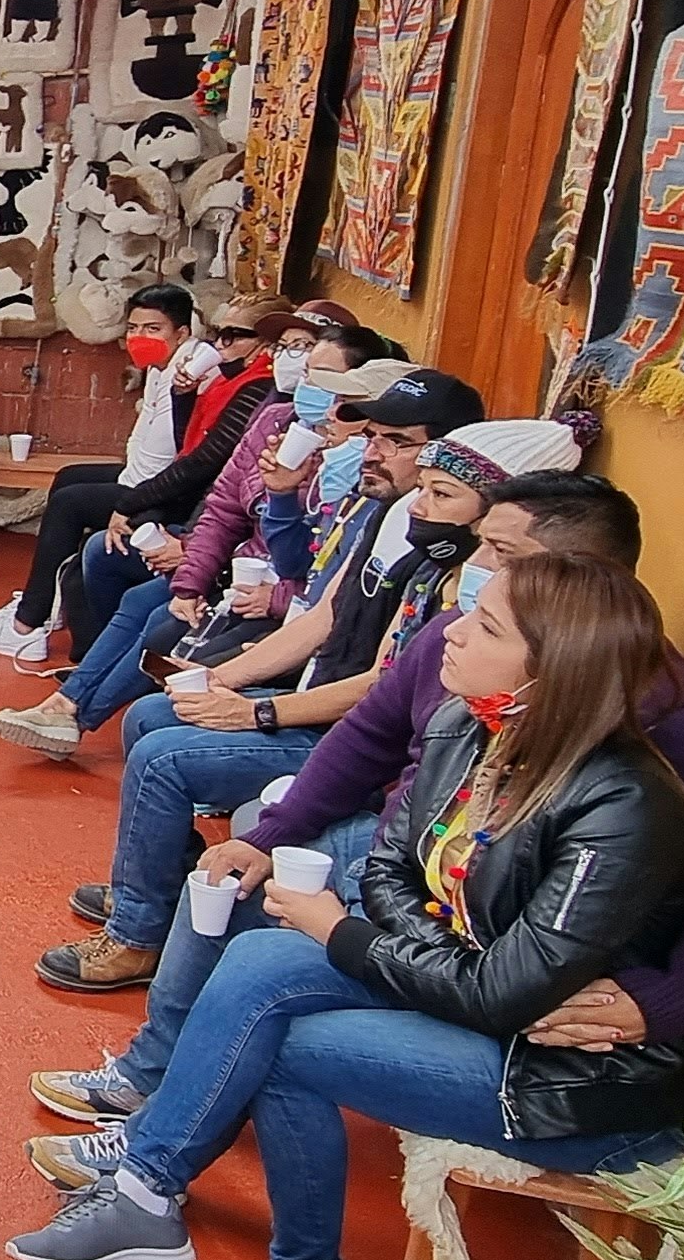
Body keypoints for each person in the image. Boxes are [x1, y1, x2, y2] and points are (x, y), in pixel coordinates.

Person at [9, 555, 684, 1260]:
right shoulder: (465, 725)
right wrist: (414, 940)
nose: (454, 628)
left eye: (487, 625)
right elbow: (388, 867)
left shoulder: (624, 806)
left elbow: (504, 997)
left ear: (554, 675)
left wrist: (341, 933)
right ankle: (152, 1193)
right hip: (467, 992)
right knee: (264, 961)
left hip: (566, 1075)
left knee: (288, 1044)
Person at [29, 474, 684, 1193]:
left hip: (499, 928)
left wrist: (672, 1000)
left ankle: (173, 1139)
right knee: (234, 874)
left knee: (270, 953)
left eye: (504, 554)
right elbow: (370, 736)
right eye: (482, 544)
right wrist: (273, 841)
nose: (478, 564)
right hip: (429, 866)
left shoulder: (672, 720)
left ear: (575, 585)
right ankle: (154, 1083)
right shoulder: (462, 643)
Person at [32, 374, 503, 994]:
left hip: (344, 736)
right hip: (314, 703)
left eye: (396, 441)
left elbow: (380, 690)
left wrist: (259, 714)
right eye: (371, 434)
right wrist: (212, 680)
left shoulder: (454, 567)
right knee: (152, 711)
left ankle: (136, 940)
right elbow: (321, 618)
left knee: (162, 757)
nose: (370, 449)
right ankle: (154, 890)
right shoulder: (390, 516)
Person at [0, 308, 365, 753]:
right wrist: (190, 577)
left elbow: (319, 568)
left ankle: (69, 707)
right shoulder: (276, 419)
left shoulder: (357, 464)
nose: (294, 369)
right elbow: (223, 502)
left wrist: (267, 582)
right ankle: (64, 704)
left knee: (157, 613)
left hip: (273, 588)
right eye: (288, 353)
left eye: (310, 360)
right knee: (125, 575)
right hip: (232, 562)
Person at [0, 286, 204, 660]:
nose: (140, 338)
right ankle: (51, 605)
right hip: (137, 476)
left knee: (70, 503)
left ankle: (27, 625)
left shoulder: (190, 368)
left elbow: (207, 358)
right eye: (133, 327)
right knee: (69, 477)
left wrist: (130, 502)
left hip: (163, 494)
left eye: (153, 328)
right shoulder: (157, 370)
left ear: (182, 334)